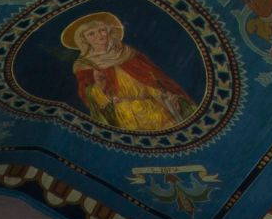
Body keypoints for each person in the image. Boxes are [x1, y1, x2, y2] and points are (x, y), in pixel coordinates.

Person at [59, 12, 199, 134]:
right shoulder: (85, 65)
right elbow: (88, 96)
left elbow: (154, 78)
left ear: (109, 32)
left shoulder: (128, 53)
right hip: (125, 113)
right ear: (83, 40)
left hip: (155, 107)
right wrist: (99, 85)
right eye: (91, 34)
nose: (99, 36)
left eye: (102, 30)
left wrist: (167, 94)